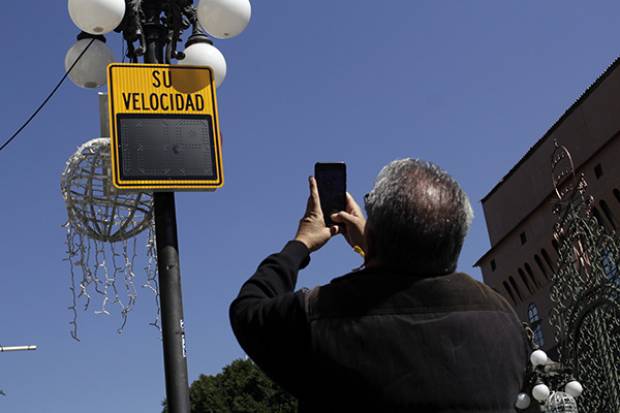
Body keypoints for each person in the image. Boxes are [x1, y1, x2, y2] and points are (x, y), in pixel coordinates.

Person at [229, 159, 527, 412]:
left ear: (372, 232)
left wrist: (300, 244)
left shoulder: (319, 316)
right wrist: (371, 248)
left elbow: (247, 309)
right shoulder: (503, 319)